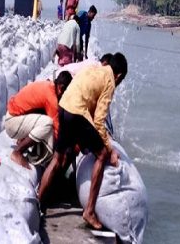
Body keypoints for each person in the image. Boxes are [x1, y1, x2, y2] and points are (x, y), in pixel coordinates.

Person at [38, 52, 127, 230]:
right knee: (101, 155)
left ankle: (39, 201)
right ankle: (90, 211)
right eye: (120, 80)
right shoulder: (110, 81)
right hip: (77, 112)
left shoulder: (94, 69)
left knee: (58, 157)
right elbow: (100, 121)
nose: (118, 84)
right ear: (118, 75)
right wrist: (110, 149)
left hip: (64, 107)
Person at [4, 72, 73, 169]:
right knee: (47, 123)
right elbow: (57, 127)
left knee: (44, 116)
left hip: (15, 118)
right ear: (61, 88)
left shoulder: (49, 86)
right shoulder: (50, 96)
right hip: (12, 123)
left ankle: (22, 141)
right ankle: (18, 152)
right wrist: (64, 150)